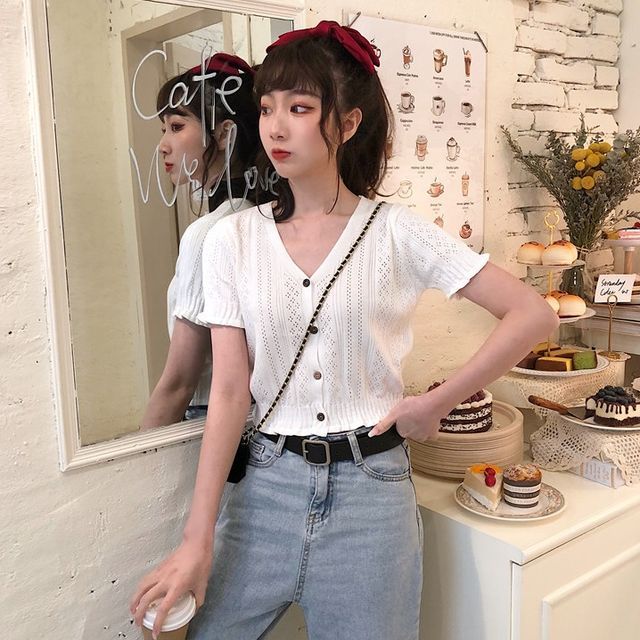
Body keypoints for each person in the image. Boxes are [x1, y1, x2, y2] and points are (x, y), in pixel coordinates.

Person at [131, 21, 559, 639]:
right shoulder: (231, 240)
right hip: (264, 487)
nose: (276, 127)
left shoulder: (396, 233)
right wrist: (196, 541)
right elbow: (227, 391)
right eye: (267, 108)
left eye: (300, 108)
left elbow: (533, 313)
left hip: (371, 496)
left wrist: (435, 403)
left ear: (348, 123)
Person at [141, 53, 260, 428]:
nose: (163, 145)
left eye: (176, 126)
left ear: (224, 134)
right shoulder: (266, 215)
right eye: (163, 129)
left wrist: (140, 452)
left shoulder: (209, 233)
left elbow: (179, 383)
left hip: (210, 420)